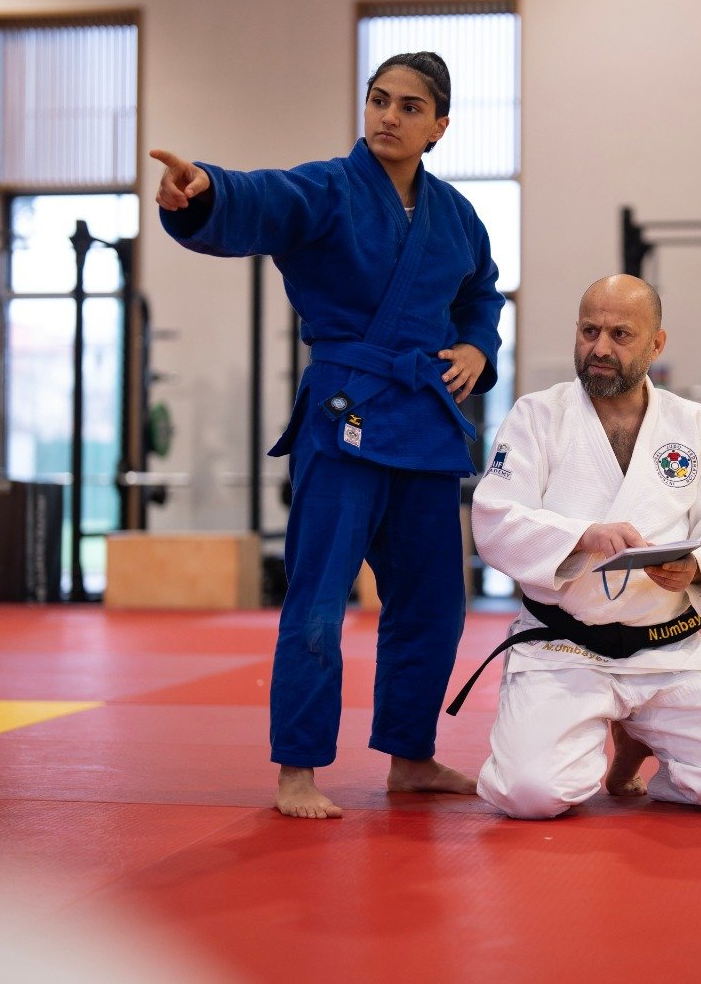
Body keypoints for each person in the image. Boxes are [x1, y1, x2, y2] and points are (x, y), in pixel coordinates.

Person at [152, 52, 505, 819]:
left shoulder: (456, 215)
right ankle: (298, 769)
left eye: (410, 107)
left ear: (439, 127)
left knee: (434, 605)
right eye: (379, 99)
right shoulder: (327, 189)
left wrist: (479, 345)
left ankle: (411, 756)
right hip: (346, 416)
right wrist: (203, 191)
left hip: (424, 425)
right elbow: (260, 198)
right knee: (317, 600)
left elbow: (482, 290)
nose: (389, 116)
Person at [462, 274, 701, 819]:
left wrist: (697, 567)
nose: (600, 348)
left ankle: (638, 738)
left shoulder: (693, 424)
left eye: (620, 334)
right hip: (564, 647)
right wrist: (582, 536)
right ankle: (611, 729)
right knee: (530, 795)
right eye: (589, 331)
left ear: (656, 344)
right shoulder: (537, 417)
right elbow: (495, 519)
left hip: (665, 650)